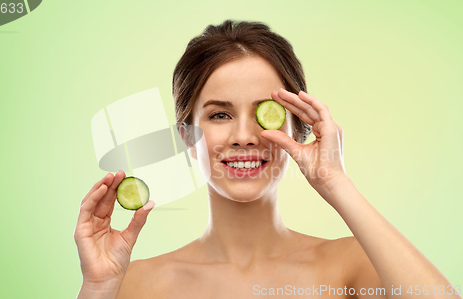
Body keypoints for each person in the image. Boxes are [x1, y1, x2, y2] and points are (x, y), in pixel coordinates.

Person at [74, 20, 461, 299]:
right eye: (220, 114)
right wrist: (98, 289)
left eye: (264, 114)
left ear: (299, 129)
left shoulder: (351, 266)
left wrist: (335, 182)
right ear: (188, 137)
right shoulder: (133, 284)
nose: (243, 137)